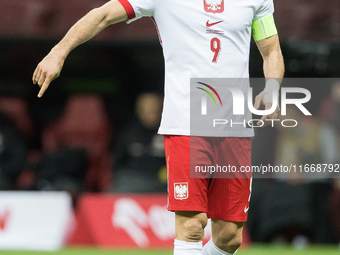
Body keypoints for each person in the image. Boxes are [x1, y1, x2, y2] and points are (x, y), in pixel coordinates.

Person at [32, 0, 284, 254]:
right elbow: (103, 15)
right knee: (192, 226)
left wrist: (272, 87)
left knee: (229, 237)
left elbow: (271, 50)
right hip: (186, 124)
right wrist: (58, 52)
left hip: (235, 128)